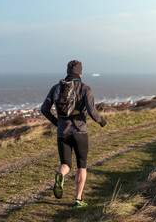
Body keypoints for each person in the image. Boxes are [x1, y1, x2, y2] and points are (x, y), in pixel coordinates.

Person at [41, 60, 107, 208]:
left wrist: (56, 122)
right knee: (81, 166)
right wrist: (101, 121)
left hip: (62, 132)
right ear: (80, 72)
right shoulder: (85, 88)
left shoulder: (56, 87)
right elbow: (92, 111)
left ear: (67, 71)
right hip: (80, 131)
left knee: (65, 164)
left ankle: (61, 175)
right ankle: (78, 199)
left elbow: (44, 109)